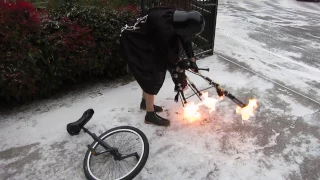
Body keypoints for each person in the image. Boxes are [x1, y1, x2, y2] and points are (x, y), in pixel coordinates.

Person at [120, 5, 205, 126]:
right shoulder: (162, 25)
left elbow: (185, 39)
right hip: (134, 39)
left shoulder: (180, 18)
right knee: (153, 73)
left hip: (148, 38)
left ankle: (145, 102)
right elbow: (163, 50)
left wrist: (192, 60)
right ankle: (150, 115)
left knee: (154, 70)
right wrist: (178, 61)